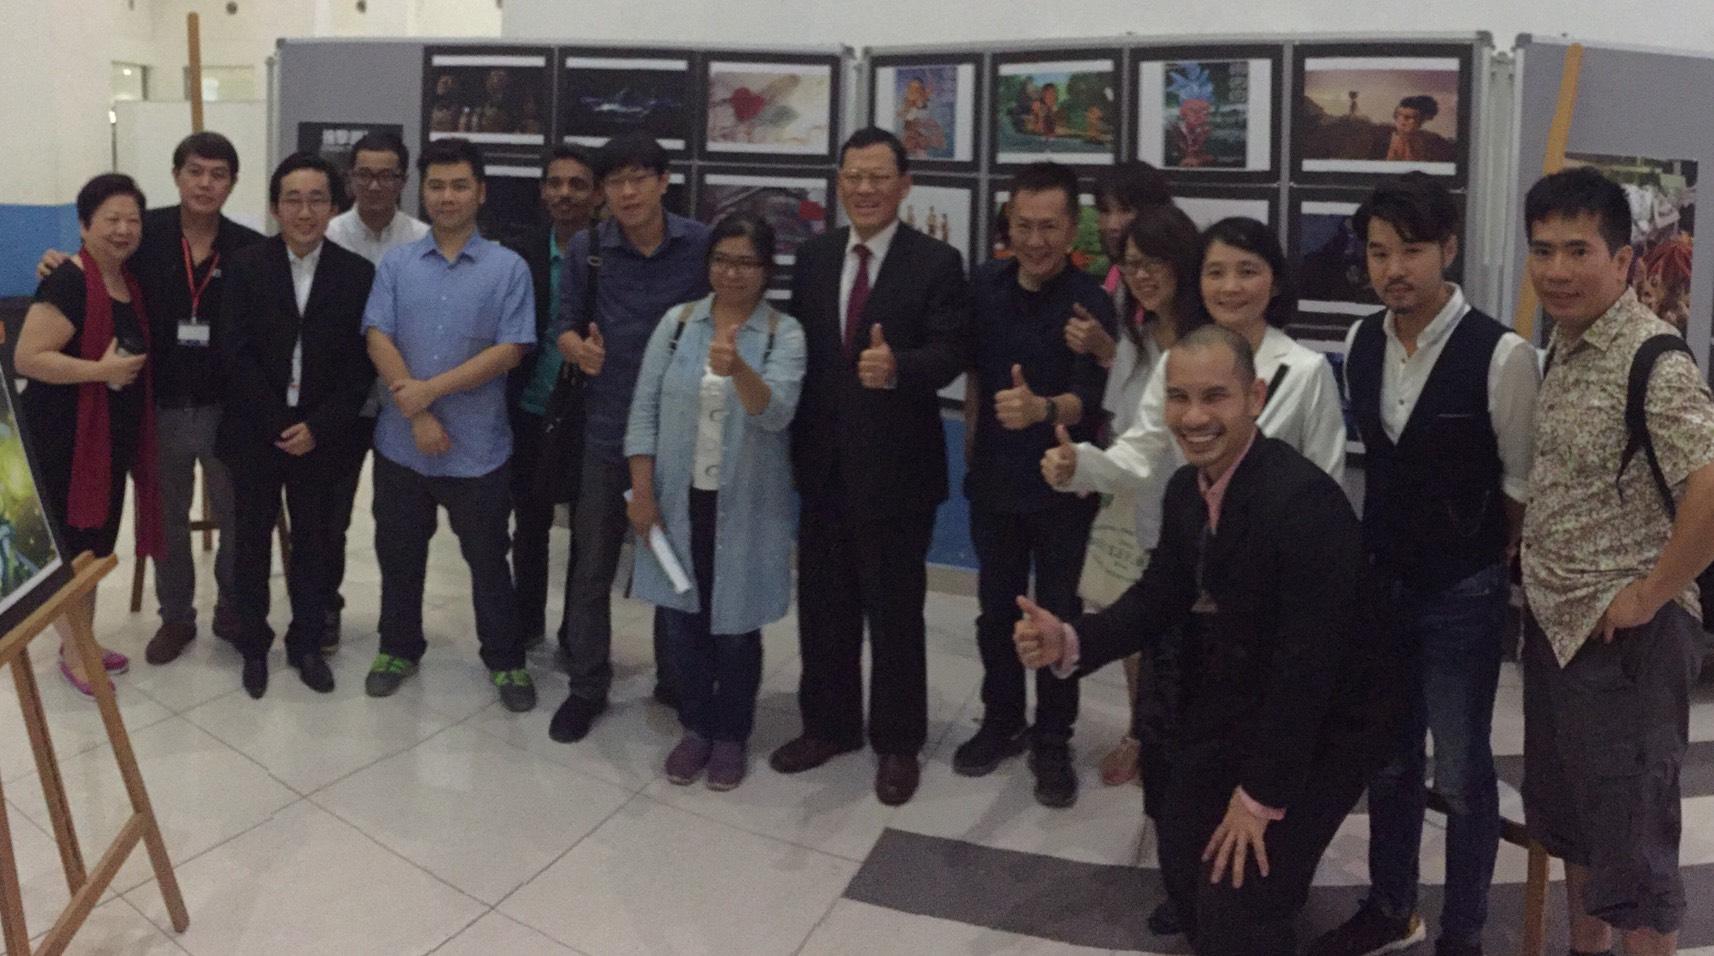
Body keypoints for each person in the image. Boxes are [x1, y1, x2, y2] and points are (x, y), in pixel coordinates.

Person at [1015, 325, 1397, 955]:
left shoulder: (1303, 504)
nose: (1194, 418)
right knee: (1182, 853)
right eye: (1179, 397)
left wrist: (1259, 798)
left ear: (1256, 397)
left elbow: (1308, 670)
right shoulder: (1185, 492)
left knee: (1236, 902)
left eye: (1215, 396)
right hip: (1248, 693)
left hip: (1334, 721)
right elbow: (1157, 599)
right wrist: (1071, 640)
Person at [1309, 175, 1539, 956]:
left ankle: (1462, 934)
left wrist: (1472, 551)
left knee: (1464, 774)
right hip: (1383, 584)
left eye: (1410, 250)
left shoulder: (1502, 354)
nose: (1393, 269)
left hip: (1462, 592)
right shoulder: (1361, 342)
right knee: (1390, 760)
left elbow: (1518, 485)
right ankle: (1391, 908)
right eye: (1379, 253)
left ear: (1447, 248)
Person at [1520, 166, 1714, 956]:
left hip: (1628, 646)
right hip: (1562, 631)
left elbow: (1710, 487)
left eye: (1579, 251)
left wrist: (1651, 593)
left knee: (1633, 855)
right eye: (1543, 251)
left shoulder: (1653, 358)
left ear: (1625, 259)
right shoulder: (1565, 346)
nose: (1557, 270)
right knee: (1576, 827)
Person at [768, 127, 970, 806]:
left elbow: (953, 351)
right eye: (854, 176)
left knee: (895, 615)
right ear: (839, 183)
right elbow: (802, 353)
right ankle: (828, 727)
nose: (865, 188)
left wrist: (899, 366)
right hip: (823, 467)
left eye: (879, 176)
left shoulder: (936, 261)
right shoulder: (817, 256)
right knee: (824, 607)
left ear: (905, 185)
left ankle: (898, 744)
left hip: (899, 473)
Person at [39, 132, 264, 666]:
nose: (205, 183)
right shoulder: (144, 235)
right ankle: (176, 616)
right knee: (167, 519)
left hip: (227, 410)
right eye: (195, 171)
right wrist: (57, 263)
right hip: (157, 406)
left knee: (237, 515)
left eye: (218, 174)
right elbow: (95, 267)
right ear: (176, 176)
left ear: (233, 183)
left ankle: (232, 610)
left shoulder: (251, 248)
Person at [625, 214, 807, 791]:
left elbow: (776, 414)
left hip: (746, 507)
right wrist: (642, 493)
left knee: (735, 628)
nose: (732, 273)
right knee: (682, 621)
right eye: (722, 260)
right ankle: (696, 729)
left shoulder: (783, 334)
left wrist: (740, 369)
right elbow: (644, 411)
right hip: (679, 501)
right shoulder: (678, 324)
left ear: (766, 270)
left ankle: (732, 735)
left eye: (746, 262)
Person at [956, 161, 1115, 809]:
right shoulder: (983, 284)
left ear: (1072, 228)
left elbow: (1088, 399)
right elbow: (969, 369)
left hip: (1063, 490)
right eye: (1023, 225)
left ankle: (1053, 740)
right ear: (1008, 224)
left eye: (1049, 226)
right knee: (995, 613)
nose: (1035, 239)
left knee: (1058, 617)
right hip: (993, 484)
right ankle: (1002, 721)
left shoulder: (1089, 303)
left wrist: (1041, 409)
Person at [360, 137, 537, 712]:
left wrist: (428, 394)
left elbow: (511, 349)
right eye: (436, 185)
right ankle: (398, 648)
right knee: (399, 556)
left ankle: (505, 659)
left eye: (460, 185)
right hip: (401, 445)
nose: (447, 196)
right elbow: (377, 336)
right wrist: (417, 414)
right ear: (424, 192)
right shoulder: (397, 263)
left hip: (478, 449)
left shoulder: (508, 268)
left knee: (488, 561)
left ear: (480, 193)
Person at [546, 134, 713, 744]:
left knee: (674, 561)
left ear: (663, 182)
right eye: (615, 182)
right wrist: (577, 350)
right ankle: (587, 686)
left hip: (682, 434)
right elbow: (564, 326)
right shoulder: (589, 249)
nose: (627, 191)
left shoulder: (700, 245)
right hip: (606, 429)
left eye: (639, 178)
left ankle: (678, 678)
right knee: (592, 565)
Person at [215, 153, 376, 699]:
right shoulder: (244, 266)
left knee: (316, 543)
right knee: (251, 542)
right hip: (255, 432)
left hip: (321, 438)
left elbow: (361, 366)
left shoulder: (357, 274)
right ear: (274, 206)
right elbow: (233, 352)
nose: (304, 212)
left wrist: (317, 426)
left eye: (316, 200)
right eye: (293, 200)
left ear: (334, 206)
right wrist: (277, 421)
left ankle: (306, 642)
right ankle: (253, 643)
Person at [16, 174, 160, 696]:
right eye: (110, 219)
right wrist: (101, 372)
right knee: (75, 546)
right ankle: (76, 651)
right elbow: (28, 358)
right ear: (83, 225)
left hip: (106, 440)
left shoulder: (127, 281)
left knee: (96, 544)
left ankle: (81, 639)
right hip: (64, 441)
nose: (123, 230)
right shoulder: (68, 281)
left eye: (132, 220)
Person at [1073, 162, 1175, 790]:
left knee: (1177, 620)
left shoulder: (1178, 289)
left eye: (1125, 209)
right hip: (1127, 473)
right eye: (1105, 210)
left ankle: (1166, 735)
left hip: (1175, 475)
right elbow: (1124, 389)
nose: (1113, 224)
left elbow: (1170, 375)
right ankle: (1141, 730)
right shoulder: (1115, 284)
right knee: (1123, 608)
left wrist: (1105, 350)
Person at [321, 131, 431, 653]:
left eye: (386, 175)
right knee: (329, 517)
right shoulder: (327, 234)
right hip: (338, 402)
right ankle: (324, 609)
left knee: (399, 525)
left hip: (400, 402)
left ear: (403, 181)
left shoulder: (423, 239)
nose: (374, 185)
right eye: (364, 174)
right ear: (349, 178)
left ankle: (399, 628)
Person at [501, 144, 599, 650]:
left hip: (591, 414)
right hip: (530, 408)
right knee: (530, 523)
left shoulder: (612, 254)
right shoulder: (520, 253)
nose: (565, 193)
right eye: (555, 183)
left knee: (588, 532)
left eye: (577, 184)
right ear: (542, 191)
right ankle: (526, 622)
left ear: (597, 195)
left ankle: (577, 633)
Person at [1385, 95, 1440, 162]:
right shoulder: (1391, 140)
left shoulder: (1422, 141)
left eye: (1418, 119)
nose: (1412, 121)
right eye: (1407, 117)